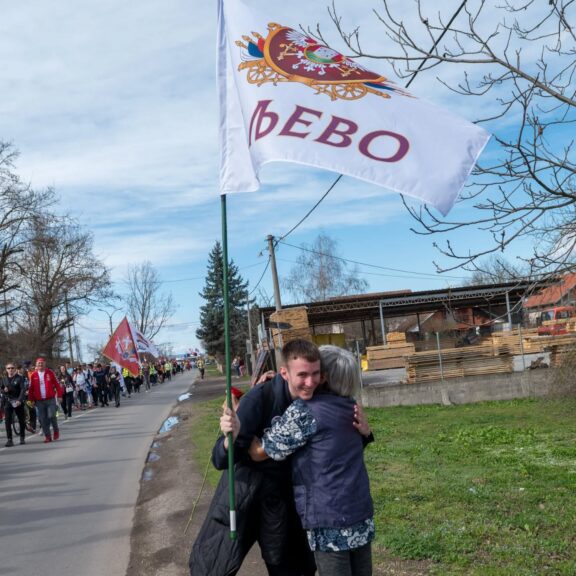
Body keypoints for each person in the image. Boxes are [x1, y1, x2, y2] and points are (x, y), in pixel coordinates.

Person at [189, 339, 320, 576]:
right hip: (244, 494)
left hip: (283, 498)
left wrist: (362, 434)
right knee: (213, 566)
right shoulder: (259, 398)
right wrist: (230, 439)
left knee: (292, 568)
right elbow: (220, 459)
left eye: (315, 374)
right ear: (284, 373)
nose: (310, 382)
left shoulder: (317, 399)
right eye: (302, 375)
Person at [249, 345, 375, 576]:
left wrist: (244, 414)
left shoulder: (306, 411)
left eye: (316, 372)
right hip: (360, 511)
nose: (311, 379)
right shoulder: (351, 406)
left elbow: (261, 451)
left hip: (329, 518)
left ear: (324, 376)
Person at [28, 358, 63, 443]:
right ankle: (48, 436)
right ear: (36, 365)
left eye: (42, 363)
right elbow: (30, 389)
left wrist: (59, 395)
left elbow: (57, 384)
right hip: (39, 401)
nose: (40, 365)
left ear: (45, 364)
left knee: (52, 416)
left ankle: (56, 430)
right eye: (39, 364)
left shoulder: (50, 373)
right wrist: (31, 400)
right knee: (42, 419)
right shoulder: (33, 375)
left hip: (50, 399)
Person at [2, 362, 27, 446]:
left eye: (12, 368)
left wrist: (19, 400)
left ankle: (22, 437)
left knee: (21, 420)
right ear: (6, 370)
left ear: (15, 369)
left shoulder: (20, 378)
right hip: (8, 402)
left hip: (18, 401)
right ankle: (9, 439)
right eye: (8, 368)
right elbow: (1, 389)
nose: (10, 370)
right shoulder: (4, 379)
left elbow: (23, 390)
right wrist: (3, 390)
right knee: (7, 421)